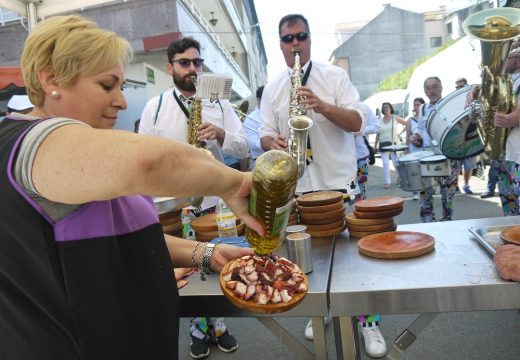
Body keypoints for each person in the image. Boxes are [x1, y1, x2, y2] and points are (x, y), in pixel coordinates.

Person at [0, 15, 264, 360]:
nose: (122, 102)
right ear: (51, 80)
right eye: (107, 86)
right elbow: (149, 162)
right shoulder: (30, 142)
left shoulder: (79, 154)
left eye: (121, 87)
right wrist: (235, 182)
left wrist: (204, 253)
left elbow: (122, 234)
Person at [260, 13, 387, 359]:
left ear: (310, 39)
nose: (295, 44)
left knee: (354, 263)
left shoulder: (335, 76)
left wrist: (322, 106)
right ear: (281, 45)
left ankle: (368, 320)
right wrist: (272, 141)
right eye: (288, 39)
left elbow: (360, 121)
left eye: (300, 36)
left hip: (337, 185)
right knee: (307, 262)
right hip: (299, 188)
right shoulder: (273, 88)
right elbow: (263, 133)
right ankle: (323, 311)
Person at [139, 37, 248, 358]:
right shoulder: (154, 107)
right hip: (174, 204)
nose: (192, 69)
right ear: (170, 67)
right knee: (183, 272)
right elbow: (142, 157)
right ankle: (198, 326)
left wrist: (222, 134)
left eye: (197, 63)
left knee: (216, 263)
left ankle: (219, 324)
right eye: (185, 63)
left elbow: (243, 147)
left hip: (213, 202)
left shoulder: (220, 104)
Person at [413, 76, 460, 222]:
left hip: (448, 156)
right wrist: (415, 137)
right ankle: (428, 221)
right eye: (428, 88)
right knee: (425, 190)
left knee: (448, 193)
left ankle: (447, 219)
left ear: (441, 88)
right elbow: (420, 128)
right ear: (424, 91)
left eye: (434, 87)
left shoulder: (450, 104)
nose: (431, 90)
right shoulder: (423, 108)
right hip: (427, 156)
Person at [374, 102, 407, 189]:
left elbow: (407, 124)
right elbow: (378, 133)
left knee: (396, 163)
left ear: (390, 108)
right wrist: (375, 145)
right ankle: (387, 182)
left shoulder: (394, 118)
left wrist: (400, 134)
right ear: (382, 110)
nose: (386, 109)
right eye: (384, 108)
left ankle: (399, 176)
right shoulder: (380, 121)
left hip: (394, 144)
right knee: (385, 164)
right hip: (383, 144)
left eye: (387, 107)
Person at [455, 78, 477, 194]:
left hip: (470, 139)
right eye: (457, 87)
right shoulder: (453, 103)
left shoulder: (472, 99)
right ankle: (456, 185)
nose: (459, 89)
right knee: (456, 166)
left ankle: (466, 185)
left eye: (461, 86)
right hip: (458, 140)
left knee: (468, 166)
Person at [356, 103, 381, 199]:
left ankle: (360, 212)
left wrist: (360, 129)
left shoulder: (363, 107)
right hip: (341, 157)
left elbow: (377, 126)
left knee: (361, 189)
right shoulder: (334, 106)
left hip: (360, 156)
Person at [405, 97, 426, 200]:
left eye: (418, 105)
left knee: (424, 169)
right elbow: (407, 135)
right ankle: (415, 192)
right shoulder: (410, 120)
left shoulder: (426, 117)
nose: (416, 107)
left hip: (424, 148)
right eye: (415, 105)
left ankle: (425, 189)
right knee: (414, 170)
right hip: (414, 148)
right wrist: (407, 149)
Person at [243, 85, 265, 170]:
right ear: (258, 99)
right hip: (259, 162)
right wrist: (270, 143)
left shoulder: (274, 114)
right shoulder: (250, 118)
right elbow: (252, 142)